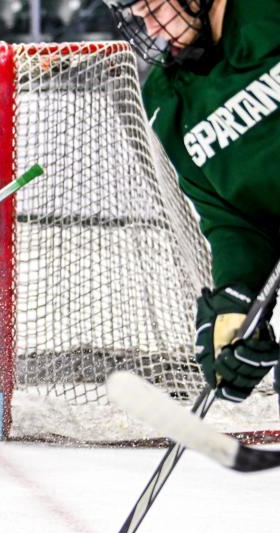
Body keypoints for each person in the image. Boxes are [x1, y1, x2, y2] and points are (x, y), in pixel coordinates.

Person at [104, 0, 280, 402]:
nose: (147, 27)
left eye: (151, 7)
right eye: (135, 15)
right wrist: (236, 299)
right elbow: (233, 221)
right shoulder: (169, 99)